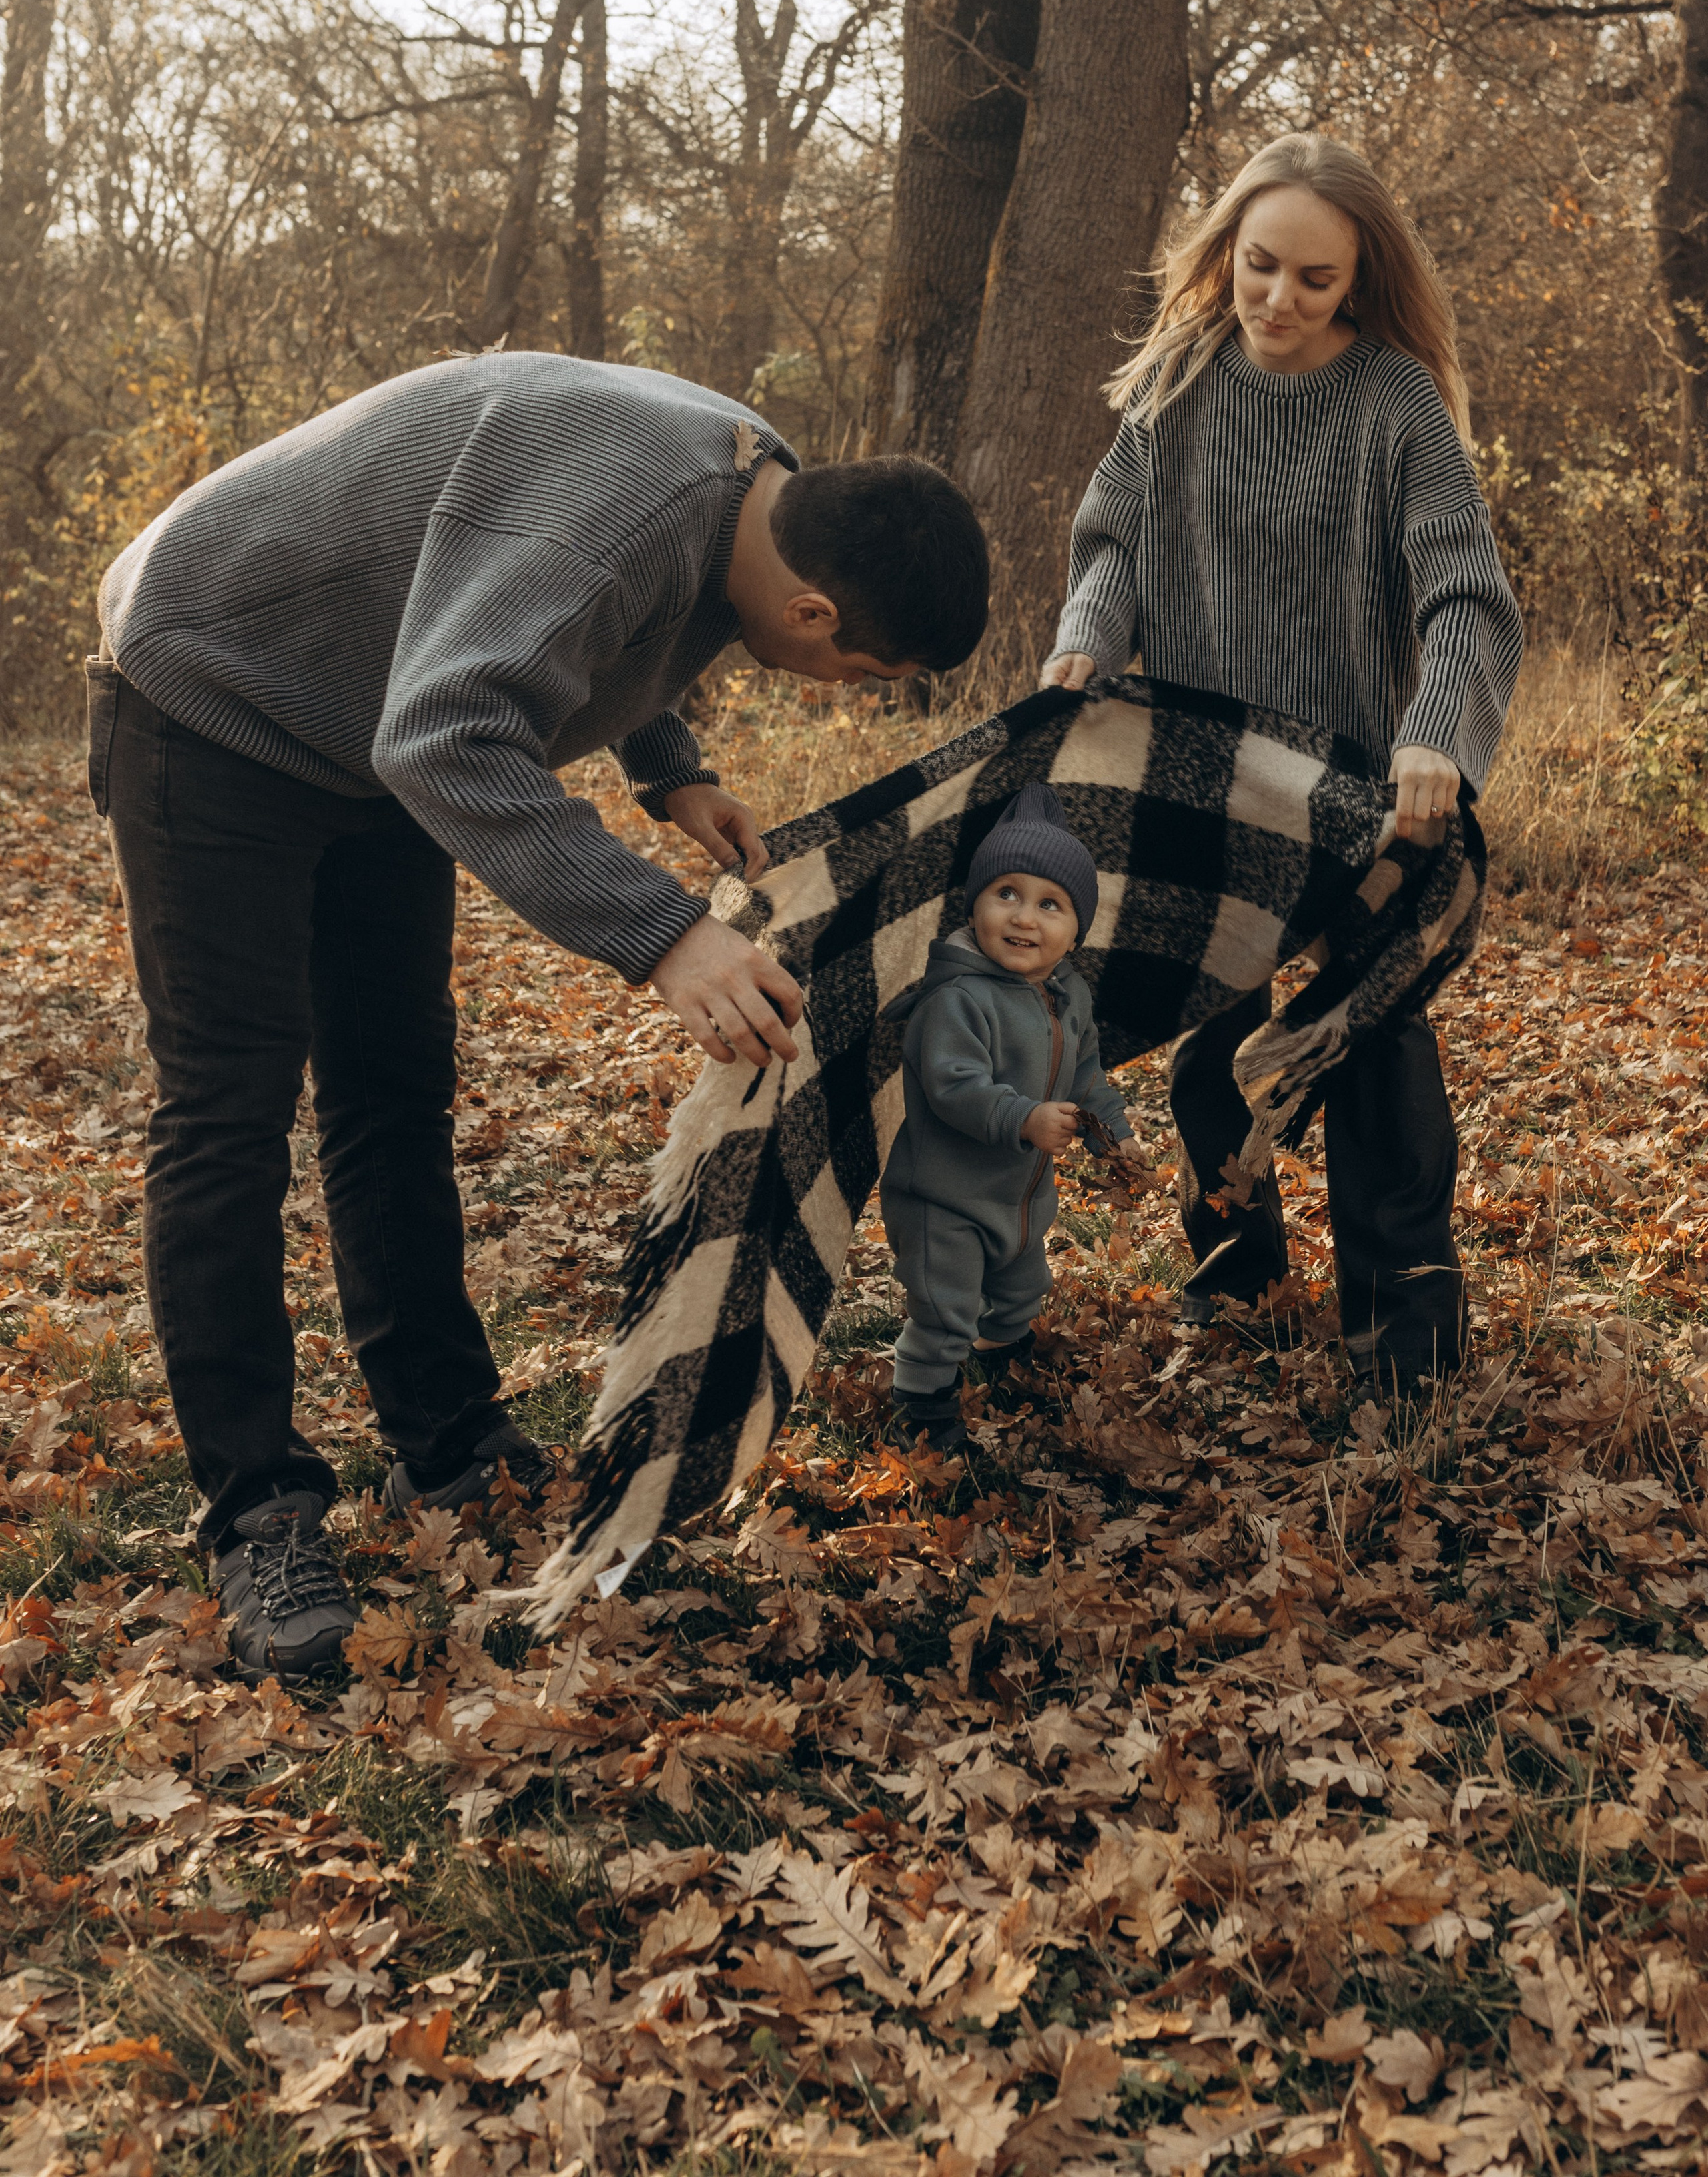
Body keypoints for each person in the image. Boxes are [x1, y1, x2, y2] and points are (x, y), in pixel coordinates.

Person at [90, 351, 990, 1674]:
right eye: (860, 676)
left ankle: (447, 1445)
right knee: (228, 1112)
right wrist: (665, 938)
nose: (843, 694)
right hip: (213, 684)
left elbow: (587, 620)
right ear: (810, 612)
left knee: (389, 1091)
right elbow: (450, 727)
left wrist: (668, 766)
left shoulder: (756, 483)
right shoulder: (632, 503)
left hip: (369, 715)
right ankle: (257, 1512)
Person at [1042, 131, 1523, 1395]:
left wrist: (1437, 731)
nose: (1280, 300)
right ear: (1228, 253)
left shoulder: (1396, 402)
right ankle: (1236, 1292)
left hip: (1363, 794)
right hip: (1203, 775)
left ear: (1357, 283)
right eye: (1263, 266)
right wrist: (1084, 646)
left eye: (1316, 280)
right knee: (1213, 1052)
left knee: (1378, 1058)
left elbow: (1465, 595)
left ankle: (1406, 1343)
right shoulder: (1179, 383)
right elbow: (1110, 549)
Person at [881, 782, 1150, 1452]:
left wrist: (1116, 1136)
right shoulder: (955, 998)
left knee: (1021, 1287)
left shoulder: (1067, 993)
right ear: (974, 904)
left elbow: (1087, 1074)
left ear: (1076, 930)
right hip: (943, 1197)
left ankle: (1002, 1358)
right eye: (1006, 894)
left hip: (1020, 1198)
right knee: (945, 1308)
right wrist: (1024, 1118)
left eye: (1050, 904)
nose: (1024, 917)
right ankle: (922, 1409)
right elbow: (953, 1084)